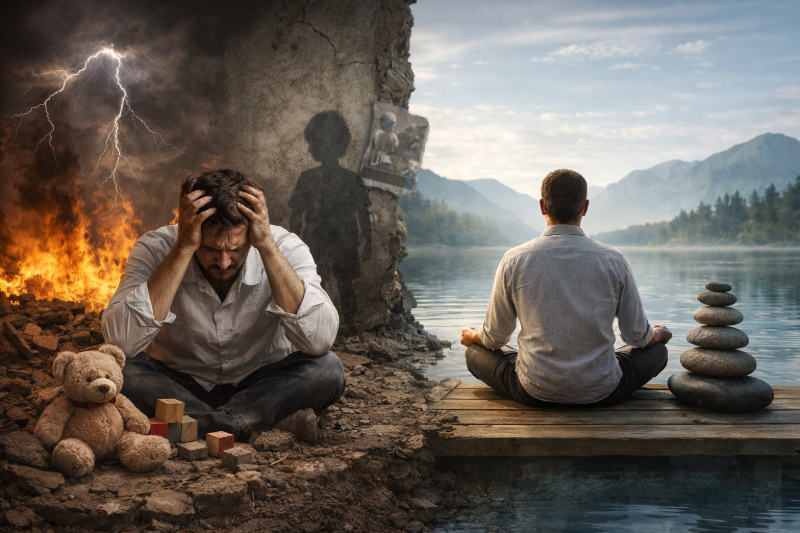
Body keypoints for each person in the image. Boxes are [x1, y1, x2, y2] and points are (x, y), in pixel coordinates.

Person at [103, 169, 345, 444]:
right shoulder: (155, 247)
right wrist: (183, 249)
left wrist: (266, 246)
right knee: (116, 368)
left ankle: (196, 425)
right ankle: (251, 424)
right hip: (179, 385)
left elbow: (319, 340)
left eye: (236, 249)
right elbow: (120, 342)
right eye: (210, 249)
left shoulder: (285, 246)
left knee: (328, 369)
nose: (224, 262)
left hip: (263, 387)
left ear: (252, 235)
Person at [460, 169, 672, 408]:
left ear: (542, 206)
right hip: (604, 391)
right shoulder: (615, 260)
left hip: (533, 390)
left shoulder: (513, 260)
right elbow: (637, 337)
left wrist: (472, 336)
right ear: (585, 207)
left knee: (474, 352)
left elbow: (494, 337)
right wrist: (659, 334)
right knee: (658, 352)